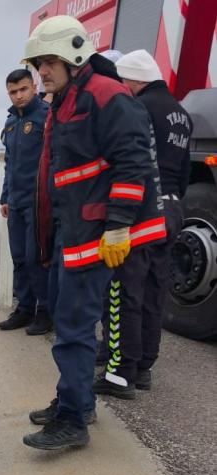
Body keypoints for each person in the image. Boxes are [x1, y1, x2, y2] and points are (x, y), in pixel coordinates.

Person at [20, 16, 167, 450]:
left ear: (75, 55)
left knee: (74, 326)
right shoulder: (68, 99)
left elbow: (133, 162)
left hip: (99, 234)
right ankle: (77, 400)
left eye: (48, 62)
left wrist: (119, 226)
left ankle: (73, 419)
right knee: (72, 322)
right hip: (78, 230)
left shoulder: (105, 95)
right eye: (37, 64)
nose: (41, 72)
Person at [92, 50, 192, 397]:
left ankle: (120, 371)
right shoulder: (181, 112)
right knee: (154, 290)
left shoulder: (138, 107)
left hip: (143, 208)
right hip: (174, 209)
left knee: (122, 291)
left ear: (133, 80)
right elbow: (184, 171)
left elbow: (131, 160)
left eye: (123, 83)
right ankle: (145, 364)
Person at [0, 69, 52, 335]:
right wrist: (5, 196)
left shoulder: (46, 116)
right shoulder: (11, 122)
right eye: (13, 91)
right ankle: (24, 308)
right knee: (19, 257)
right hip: (17, 201)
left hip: (39, 202)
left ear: (34, 87)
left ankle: (45, 312)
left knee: (36, 258)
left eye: (23, 89)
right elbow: (10, 163)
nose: (18, 96)